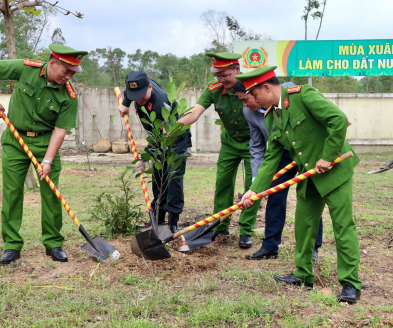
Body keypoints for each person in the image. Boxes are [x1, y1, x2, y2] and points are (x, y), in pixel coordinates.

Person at [239, 66, 362, 304]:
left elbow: (339, 120)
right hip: (309, 174)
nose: (252, 101)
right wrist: (255, 190)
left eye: (254, 94)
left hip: (334, 170)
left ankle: (350, 284)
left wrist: (327, 155)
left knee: (342, 226)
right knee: (304, 225)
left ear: (266, 87)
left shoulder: (303, 95)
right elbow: (271, 158)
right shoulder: (272, 116)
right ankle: (303, 274)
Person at [0, 44, 87, 264]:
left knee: (50, 193)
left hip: (45, 142)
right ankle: (11, 246)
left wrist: (47, 160)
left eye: (72, 73)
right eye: (65, 71)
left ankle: (53, 243)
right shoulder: (26, 68)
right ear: (52, 63)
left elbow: (60, 130)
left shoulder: (69, 96)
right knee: (12, 192)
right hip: (15, 138)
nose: (68, 77)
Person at [233, 81, 323, 261]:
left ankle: (312, 247)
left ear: (258, 91)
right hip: (280, 154)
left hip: (306, 150)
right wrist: (257, 184)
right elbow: (257, 146)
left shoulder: (288, 91)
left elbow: (317, 109)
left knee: (310, 195)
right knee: (274, 196)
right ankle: (270, 246)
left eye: (246, 99)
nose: (245, 105)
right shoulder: (248, 113)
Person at [177, 52, 258, 248]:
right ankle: (220, 226)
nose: (221, 80)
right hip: (230, 144)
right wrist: (173, 129)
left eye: (225, 75)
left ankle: (246, 230)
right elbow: (195, 112)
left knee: (252, 187)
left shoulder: (250, 87)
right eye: (217, 76)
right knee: (222, 183)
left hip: (253, 144)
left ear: (237, 70)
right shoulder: (214, 89)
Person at [118, 71, 192, 233]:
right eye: (134, 96)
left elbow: (161, 137)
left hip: (174, 139)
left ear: (150, 87)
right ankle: (158, 219)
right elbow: (129, 92)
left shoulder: (161, 103)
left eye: (142, 97)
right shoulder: (140, 86)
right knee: (159, 177)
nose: (138, 100)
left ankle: (173, 221)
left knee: (173, 180)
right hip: (158, 139)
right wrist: (125, 103)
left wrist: (144, 158)